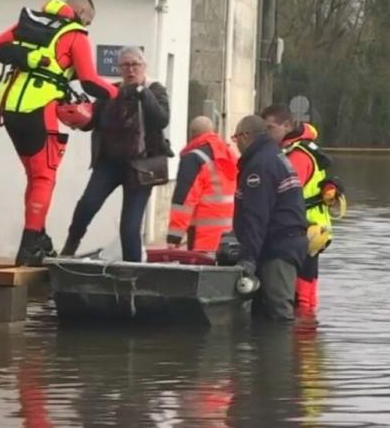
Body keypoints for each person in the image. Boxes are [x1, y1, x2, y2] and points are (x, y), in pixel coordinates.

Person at [0, 0, 119, 266]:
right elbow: (90, 81)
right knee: (44, 178)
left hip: (11, 110)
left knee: (34, 174)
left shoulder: (27, 24)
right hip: (40, 111)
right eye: (88, 19)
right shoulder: (75, 35)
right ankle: (29, 245)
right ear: (80, 10)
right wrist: (120, 93)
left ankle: (39, 236)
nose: (88, 25)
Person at [60, 47, 170, 262]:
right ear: (119, 68)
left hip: (141, 167)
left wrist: (142, 93)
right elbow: (92, 122)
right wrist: (76, 115)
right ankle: (69, 247)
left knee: (129, 227)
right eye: (125, 65)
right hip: (109, 164)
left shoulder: (154, 89)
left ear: (143, 66)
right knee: (87, 206)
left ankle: (133, 275)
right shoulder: (110, 91)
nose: (131, 70)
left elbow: (161, 119)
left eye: (135, 65)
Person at [261, 105, 338, 317]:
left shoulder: (297, 155)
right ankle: (307, 339)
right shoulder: (305, 149)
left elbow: (285, 192)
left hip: (303, 230)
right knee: (307, 288)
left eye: (269, 128)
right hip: (313, 230)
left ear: (287, 126)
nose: (266, 134)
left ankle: (301, 339)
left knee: (300, 295)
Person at [231, 115, 308, 321]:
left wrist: (247, 259)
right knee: (267, 312)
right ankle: (270, 351)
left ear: (246, 136)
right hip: (286, 242)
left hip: (278, 247)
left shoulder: (259, 166)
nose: (235, 143)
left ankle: (279, 350)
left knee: (278, 312)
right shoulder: (273, 156)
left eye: (235, 137)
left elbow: (255, 216)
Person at [166, 116, 238, 252]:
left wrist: (174, 238)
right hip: (229, 239)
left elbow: (184, 200)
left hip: (203, 239)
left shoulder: (193, 159)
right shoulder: (228, 155)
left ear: (192, 134)